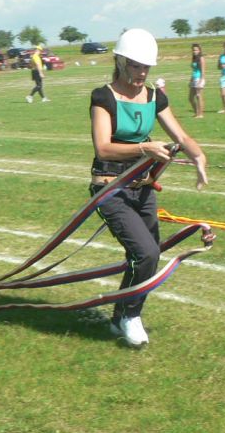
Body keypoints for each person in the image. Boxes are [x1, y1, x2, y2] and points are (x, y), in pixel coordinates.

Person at [89, 28, 210, 347]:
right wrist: (144, 149)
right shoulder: (103, 97)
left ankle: (119, 318)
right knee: (145, 253)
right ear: (120, 61)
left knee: (146, 257)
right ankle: (131, 316)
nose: (142, 73)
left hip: (142, 189)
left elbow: (181, 137)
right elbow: (103, 148)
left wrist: (198, 156)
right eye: (135, 66)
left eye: (146, 67)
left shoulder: (155, 97)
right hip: (109, 188)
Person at [188, 43, 206, 118]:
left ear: (199, 50)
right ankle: (196, 112)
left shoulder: (201, 58)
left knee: (199, 96)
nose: (194, 51)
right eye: (193, 50)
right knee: (190, 98)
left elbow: (203, 71)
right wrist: (191, 80)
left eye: (196, 50)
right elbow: (194, 71)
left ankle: (200, 114)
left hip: (199, 79)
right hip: (194, 79)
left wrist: (200, 81)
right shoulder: (194, 58)